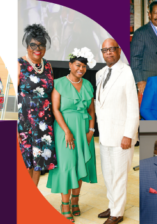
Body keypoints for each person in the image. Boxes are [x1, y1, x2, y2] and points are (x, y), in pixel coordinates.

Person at [46, 47, 97, 223]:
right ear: (70, 65)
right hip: (64, 129)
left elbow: (91, 110)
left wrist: (91, 131)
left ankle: (75, 200)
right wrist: (67, 131)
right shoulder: (59, 83)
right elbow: (55, 109)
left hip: (84, 130)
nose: (81, 69)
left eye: (84, 66)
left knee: (80, 164)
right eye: (77, 65)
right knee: (67, 166)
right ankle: (65, 204)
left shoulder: (88, 84)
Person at [93, 39, 139, 224]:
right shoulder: (100, 73)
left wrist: (129, 134)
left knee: (119, 175)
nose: (109, 53)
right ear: (102, 53)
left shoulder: (127, 72)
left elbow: (133, 108)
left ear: (119, 51)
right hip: (105, 134)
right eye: (105, 50)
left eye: (112, 49)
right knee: (108, 174)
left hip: (122, 136)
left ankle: (117, 213)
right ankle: (113, 205)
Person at [18, 24, 55, 186]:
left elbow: (51, 93)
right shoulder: (19, 64)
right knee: (26, 165)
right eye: (33, 45)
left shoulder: (47, 66)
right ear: (27, 46)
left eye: (41, 45)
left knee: (39, 164)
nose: (37, 49)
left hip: (44, 123)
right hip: (24, 123)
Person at [131, 1, 157, 94]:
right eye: (156, 13)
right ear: (149, 14)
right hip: (147, 81)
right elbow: (135, 58)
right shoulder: (141, 33)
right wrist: (139, 81)